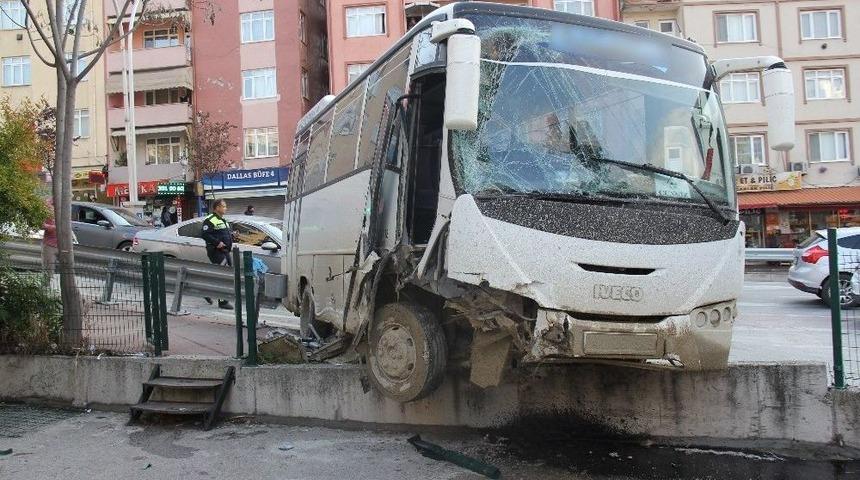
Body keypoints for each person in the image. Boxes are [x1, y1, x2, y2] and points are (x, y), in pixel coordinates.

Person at [201, 199, 234, 310]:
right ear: (217, 208)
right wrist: (217, 243)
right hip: (216, 251)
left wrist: (233, 235)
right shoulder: (210, 219)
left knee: (225, 274)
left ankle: (207, 291)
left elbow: (223, 234)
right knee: (223, 275)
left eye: (225, 206)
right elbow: (205, 234)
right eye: (223, 206)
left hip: (225, 251)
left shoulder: (223, 220)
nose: (225, 208)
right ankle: (223, 301)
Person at [41, 198, 58, 271]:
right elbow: (40, 223)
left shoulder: (66, 204)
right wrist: (53, 227)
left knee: (67, 272)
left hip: (65, 245)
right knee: (48, 272)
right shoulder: (47, 205)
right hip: (50, 245)